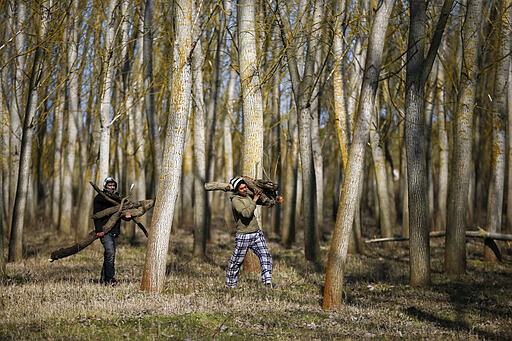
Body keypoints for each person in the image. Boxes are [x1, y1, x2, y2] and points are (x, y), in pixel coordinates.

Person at [225, 177, 275, 288]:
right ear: (237, 190)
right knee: (236, 261)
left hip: (256, 233)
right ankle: (230, 285)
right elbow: (246, 213)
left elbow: (260, 201)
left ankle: (267, 283)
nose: (244, 189)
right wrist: (254, 200)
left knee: (265, 256)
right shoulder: (235, 200)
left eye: (245, 187)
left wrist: (270, 199)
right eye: (242, 188)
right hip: (244, 235)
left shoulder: (248, 195)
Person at [93, 176, 131, 286]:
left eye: (113, 185)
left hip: (115, 231)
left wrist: (127, 216)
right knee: (110, 253)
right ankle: (110, 280)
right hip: (105, 231)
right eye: (109, 185)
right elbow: (96, 216)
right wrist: (99, 230)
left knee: (109, 255)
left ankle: (104, 279)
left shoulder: (118, 198)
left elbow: (121, 214)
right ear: (105, 185)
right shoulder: (99, 198)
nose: (112, 187)